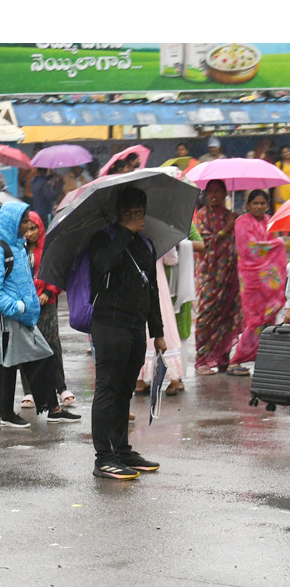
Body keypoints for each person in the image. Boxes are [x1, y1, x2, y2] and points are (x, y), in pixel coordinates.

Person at [85, 186, 162, 479]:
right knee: (108, 388)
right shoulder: (102, 239)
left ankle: (122, 449)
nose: (135, 218)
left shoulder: (147, 245)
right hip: (109, 325)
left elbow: (151, 289)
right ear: (119, 214)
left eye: (139, 213)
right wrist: (126, 233)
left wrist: (158, 331)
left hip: (135, 327)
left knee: (125, 390)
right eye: (129, 213)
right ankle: (104, 457)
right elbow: (103, 265)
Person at [0, 202, 81, 430]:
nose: (28, 225)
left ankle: (52, 409)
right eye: (24, 221)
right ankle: (7, 414)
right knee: (9, 366)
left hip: (24, 318)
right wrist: (16, 307)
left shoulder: (18, 247)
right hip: (10, 320)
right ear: (13, 222)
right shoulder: (0, 250)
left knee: (44, 358)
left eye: (29, 220)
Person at [18, 211, 75, 408]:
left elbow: (57, 273)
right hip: (26, 305)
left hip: (46, 304)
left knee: (51, 345)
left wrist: (49, 293)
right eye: (26, 229)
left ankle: (61, 388)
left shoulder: (48, 248)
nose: (29, 234)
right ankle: (29, 391)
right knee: (26, 346)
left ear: (40, 228)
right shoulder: (20, 250)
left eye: (33, 229)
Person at [192, 180, 244, 375]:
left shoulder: (230, 215)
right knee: (207, 316)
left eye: (218, 191)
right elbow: (204, 242)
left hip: (230, 275)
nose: (214, 195)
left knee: (229, 314)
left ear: (224, 194)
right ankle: (202, 359)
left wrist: (235, 225)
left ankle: (223, 357)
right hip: (209, 276)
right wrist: (226, 229)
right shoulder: (202, 216)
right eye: (210, 191)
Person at [232, 190, 287, 366]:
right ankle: (237, 360)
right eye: (255, 203)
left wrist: (276, 243)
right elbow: (250, 249)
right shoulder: (241, 222)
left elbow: (273, 245)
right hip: (250, 279)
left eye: (263, 203)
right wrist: (278, 244)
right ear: (247, 205)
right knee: (254, 320)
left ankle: (262, 356)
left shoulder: (269, 221)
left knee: (268, 318)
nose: (259, 206)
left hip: (268, 282)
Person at [136, 244, 189, 397]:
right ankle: (174, 377)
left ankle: (139, 379)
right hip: (156, 281)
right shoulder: (158, 237)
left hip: (136, 284)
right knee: (164, 324)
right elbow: (172, 260)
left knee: (143, 328)